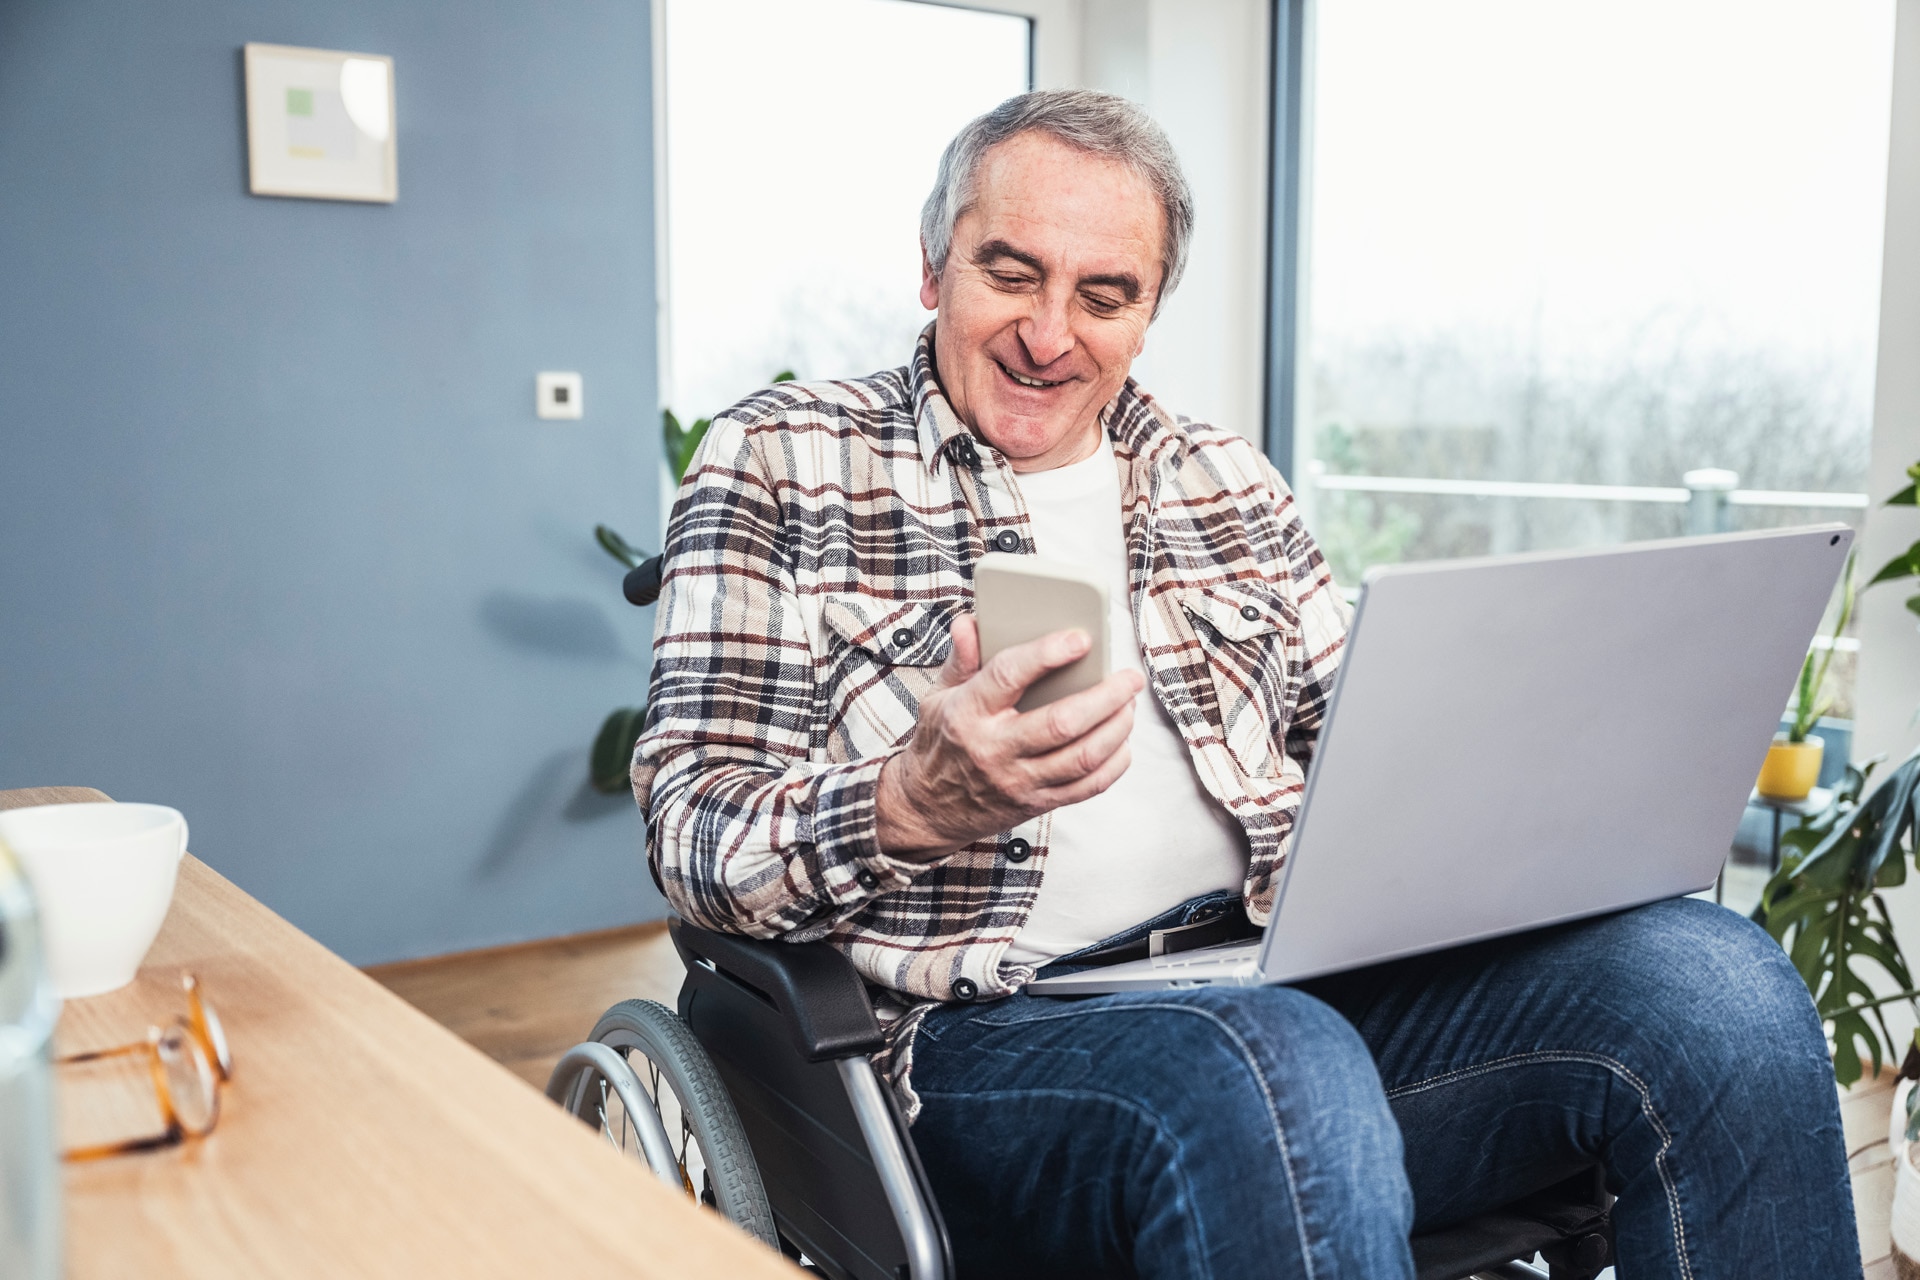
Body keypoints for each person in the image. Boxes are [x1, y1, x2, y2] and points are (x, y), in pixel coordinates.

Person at [633, 90, 1858, 1278]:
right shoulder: (783, 461)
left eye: (1103, 294)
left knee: (1716, 987)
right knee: (1272, 1062)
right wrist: (909, 802)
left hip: (1282, 984)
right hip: (980, 1045)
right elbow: (690, 826)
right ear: (932, 267)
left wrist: (1538, 782)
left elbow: (1362, 755)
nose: (1051, 334)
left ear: (1148, 310)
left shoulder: (1227, 481)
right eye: (1012, 273)